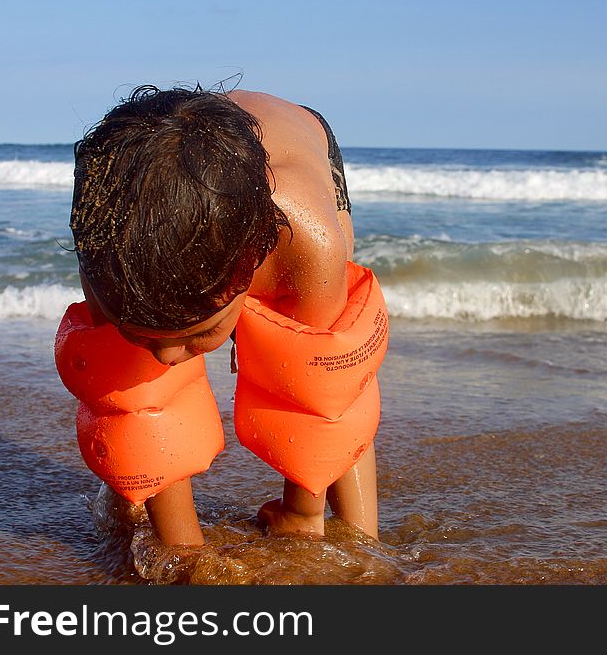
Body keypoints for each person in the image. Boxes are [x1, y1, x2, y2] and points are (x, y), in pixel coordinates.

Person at [64, 84, 385, 546]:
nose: (169, 357)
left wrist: (300, 512)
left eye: (199, 333)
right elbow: (143, 405)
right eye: (144, 333)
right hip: (171, 161)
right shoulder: (107, 251)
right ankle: (130, 482)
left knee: (327, 371)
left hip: (297, 149)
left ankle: (362, 539)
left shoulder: (310, 245)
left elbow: (320, 396)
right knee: (127, 384)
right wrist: (182, 551)